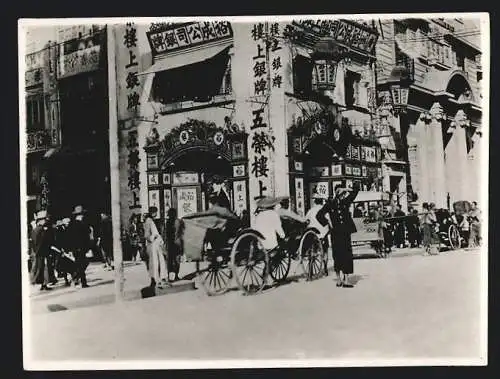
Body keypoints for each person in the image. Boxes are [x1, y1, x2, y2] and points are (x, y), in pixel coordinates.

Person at [316, 182, 360, 288]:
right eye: (340, 191)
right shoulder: (330, 204)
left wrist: (346, 189)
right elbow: (319, 215)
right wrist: (328, 223)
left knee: (347, 255)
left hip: (345, 232)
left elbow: (355, 191)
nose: (342, 194)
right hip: (335, 233)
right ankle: (339, 279)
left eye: (343, 192)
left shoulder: (346, 202)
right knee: (337, 255)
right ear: (336, 193)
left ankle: (346, 279)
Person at [144, 206, 168, 289]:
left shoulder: (152, 221)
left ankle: (161, 278)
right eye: (155, 212)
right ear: (152, 213)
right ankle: (156, 280)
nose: (156, 214)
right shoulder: (148, 221)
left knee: (161, 261)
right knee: (155, 262)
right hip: (153, 244)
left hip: (157, 244)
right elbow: (147, 235)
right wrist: (153, 237)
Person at [68, 205, 92, 288]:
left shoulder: (72, 224)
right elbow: (85, 234)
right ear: (80, 215)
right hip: (79, 248)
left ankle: (78, 280)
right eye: (82, 214)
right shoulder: (80, 224)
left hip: (77, 248)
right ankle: (80, 280)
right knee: (82, 264)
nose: (83, 216)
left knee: (80, 264)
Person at [30, 210, 55, 291]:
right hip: (43, 252)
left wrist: (36, 251)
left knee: (40, 268)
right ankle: (44, 284)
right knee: (44, 268)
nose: (45, 221)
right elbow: (44, 242)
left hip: (37, 252)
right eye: (44, 219)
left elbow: (33, 243)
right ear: (41, 220)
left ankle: (42, 284)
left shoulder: (34, 230)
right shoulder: (42, 230)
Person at [165, 208, 184, 282]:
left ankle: (170, 276)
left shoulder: (168, 222)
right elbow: (182, 234)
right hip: (178, 244)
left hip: (170, 244)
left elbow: (166, 234)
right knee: (176, 260)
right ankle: (176, 275)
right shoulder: (179, 222)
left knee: (170, 260)